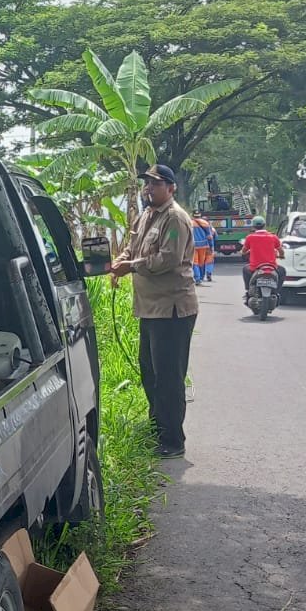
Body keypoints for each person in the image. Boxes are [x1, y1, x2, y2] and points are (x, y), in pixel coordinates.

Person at [109, 164, 197, 458]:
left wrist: (130, 266)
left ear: (171, 188)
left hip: (172, 309)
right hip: (149, 308)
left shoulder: (175, 219)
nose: (149, 189)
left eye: (156, 184)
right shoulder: (147, 214)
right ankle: (158, 429)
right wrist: (120, 262)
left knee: (169, 377)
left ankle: (173, 440)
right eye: (147, 184)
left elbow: (167, 259)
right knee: (149, 371)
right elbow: (132, 247)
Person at [241, 214, 284, 301]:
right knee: (282, 271)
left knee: (245, 269)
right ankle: (277, 291)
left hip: (254, 267)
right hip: (272, 267)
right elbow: (281, 250)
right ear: (264, 225)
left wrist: (246, 252)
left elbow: (243, 251)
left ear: (253, 226)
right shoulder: (273, 237)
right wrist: (281, 256)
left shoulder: (250, 237)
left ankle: (248, 290)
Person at [192, 215, 214, 284]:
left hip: (194, 246)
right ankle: (201, 277)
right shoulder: (205, 223)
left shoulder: (189, 223)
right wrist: (210, 246)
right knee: (201, 262)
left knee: (195, 262)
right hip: (204, 246)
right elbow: (209, 236)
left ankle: (197, 279)